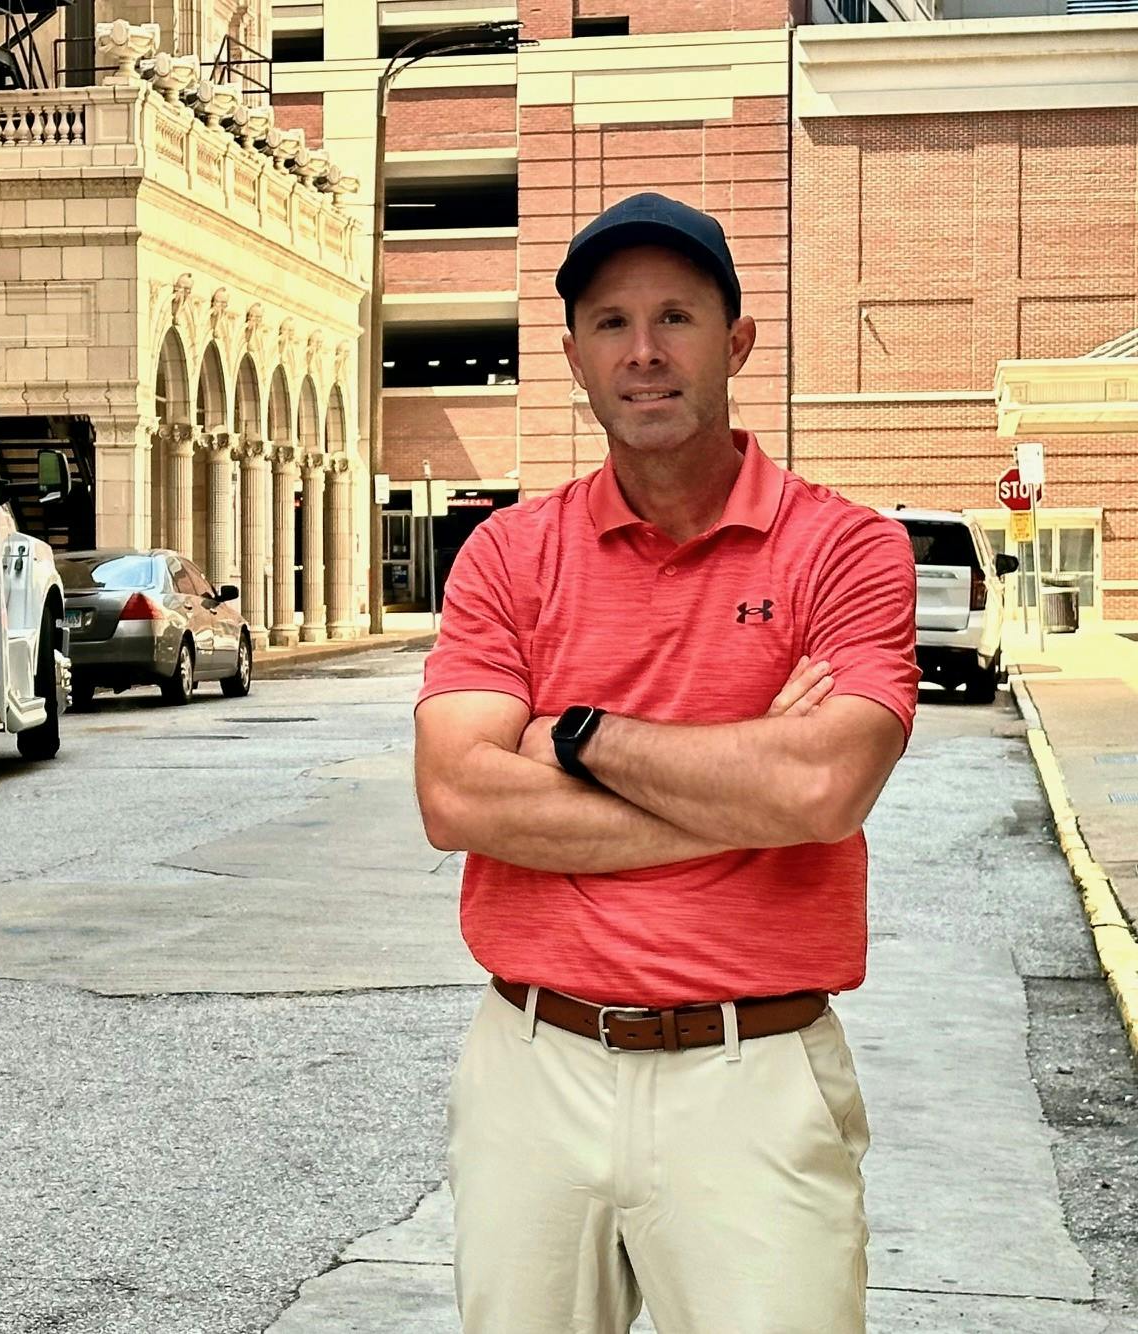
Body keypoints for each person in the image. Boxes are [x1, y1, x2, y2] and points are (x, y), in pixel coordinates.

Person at [413, 192, 919, 1334]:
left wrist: (575, 738)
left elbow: (824, 785)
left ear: (735, 341)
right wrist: (751, 786)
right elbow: (454, 795)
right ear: (573, 357)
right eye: (609, 323)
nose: (642, 353)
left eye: (676, 317)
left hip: (754, 1073)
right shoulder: (508, 552)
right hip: (533, 1066)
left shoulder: (844, 546)